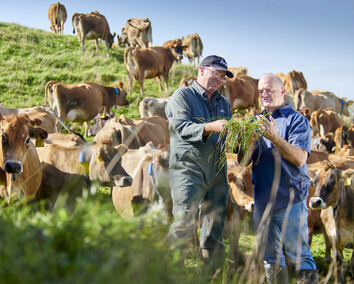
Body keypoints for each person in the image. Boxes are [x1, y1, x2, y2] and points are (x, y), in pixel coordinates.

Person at [238, 73, 318, 283]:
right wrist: (250, 143)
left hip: (289, 201)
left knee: (300, 257)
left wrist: (274, 138)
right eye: (261, 90)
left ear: (283, 91)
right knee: (270, 259)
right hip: (263, 202)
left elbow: (300, 158)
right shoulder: (254, 121)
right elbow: (242, 161)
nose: (264, 94)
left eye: (269, 90)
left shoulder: (297, 120)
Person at [165, 55, 234, 267]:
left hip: (216, 171)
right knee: (184, 223)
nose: (219, 80)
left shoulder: (224, 103)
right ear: (202, 71)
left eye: (223, 77)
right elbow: (182, 127)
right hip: (188, 168)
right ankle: (167, 273)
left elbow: (227, 140)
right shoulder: (182, 96)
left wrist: (240, 138)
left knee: (215, 226)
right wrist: (211, 127)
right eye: (216, 74)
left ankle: (209, 274)